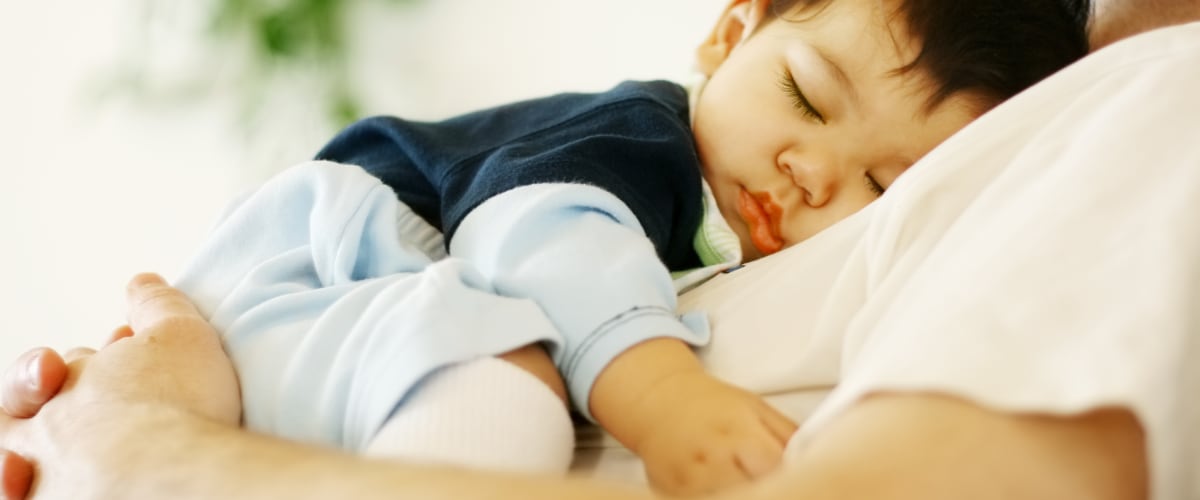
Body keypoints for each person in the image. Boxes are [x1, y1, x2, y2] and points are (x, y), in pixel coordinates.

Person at [1, 1, 1198, 499]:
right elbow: (541, 232)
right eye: (810, 99)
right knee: (504, 393)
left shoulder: (1153, 114)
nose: (812, 173)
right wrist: (660, 387)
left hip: (303, 349)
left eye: (884, 182)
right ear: (730, 34)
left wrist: (146, 444)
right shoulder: (634, 138)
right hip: (341, 259)